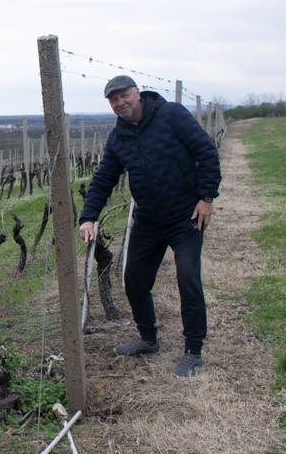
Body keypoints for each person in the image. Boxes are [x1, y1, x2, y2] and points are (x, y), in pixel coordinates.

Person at [79, 75, 221, 377]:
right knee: (134, 279)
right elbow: (104, 179)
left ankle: (193, 350)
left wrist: (206, 197)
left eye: (123, 96)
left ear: (137, 94)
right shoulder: (118, 138)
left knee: (188, 278)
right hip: (148, 219)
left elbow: (205, 152)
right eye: (113, 100)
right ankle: (148, 339)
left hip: (186, 216)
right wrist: (88, 217)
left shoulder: (171, 115)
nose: (120, 103)